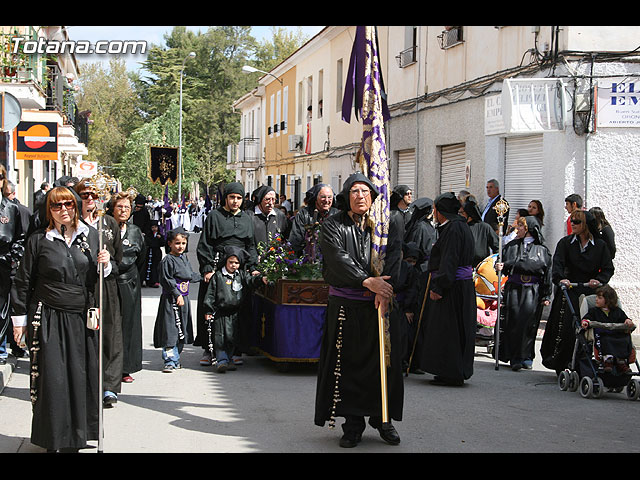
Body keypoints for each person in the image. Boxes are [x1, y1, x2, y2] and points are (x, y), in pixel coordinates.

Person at [10, 186, 111, 452]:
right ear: (48, 210)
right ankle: (54, 437)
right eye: (56, 206)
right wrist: (19, 321)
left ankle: (77, 436)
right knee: (53, 378)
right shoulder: (38, 240)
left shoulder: (90, 237)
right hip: (49, 316)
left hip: (80, 317)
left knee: (80, 376)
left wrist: (106, 263)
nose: (63, 210)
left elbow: (99, 279)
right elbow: (22, 282)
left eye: (68, 204)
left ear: (76, 206)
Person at [314, 172, 404, 448]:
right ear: (346, 196)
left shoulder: (383, 228)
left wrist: (386, 290)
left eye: (366, 191)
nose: (360, 196)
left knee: (384, 365)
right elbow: (337, 258)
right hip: (347, 306)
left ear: (373, 197)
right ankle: (352, 424)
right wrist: (367, 281)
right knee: (349, 366)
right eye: (354, 191)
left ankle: (383, 419)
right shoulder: (333, 225)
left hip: (380, 305)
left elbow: (396, 256)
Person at [540, 209, 615, 375]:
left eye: (577, 222)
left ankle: (587, 363)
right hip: (570, 289)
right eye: (571, 221)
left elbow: (608, 268)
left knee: (589, 326)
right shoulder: (565, 243)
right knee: (566, 325)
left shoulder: (600, 245)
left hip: (590, 290)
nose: (572, 224)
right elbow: (557, 264)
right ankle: (560, 362)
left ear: (586, 225)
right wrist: (561, 279)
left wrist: (599, 280)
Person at [195, 182, 258, 366]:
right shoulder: (214, 216)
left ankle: (236, 349)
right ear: (226, 198)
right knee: (212, 308)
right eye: (232, 197)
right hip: (217, 266)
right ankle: (209, 349)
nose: (235, 201)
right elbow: (204, 244)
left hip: (239, 268)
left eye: (239, 198)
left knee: (239, 309)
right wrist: (207, 268)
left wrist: (252, 266)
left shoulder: (247, 218)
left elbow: (251, 246)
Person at [417, 192, 476, 386]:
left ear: (440, 211)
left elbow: (449, 260)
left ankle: (450, 371)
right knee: (457, 329)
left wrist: (439, 286)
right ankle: (453, 370)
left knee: (449, 330)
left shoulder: (453, 229)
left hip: (452, 288)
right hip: (461, 286)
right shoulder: (461, 226)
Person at [74, 180, 124, 407]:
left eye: (94, 195)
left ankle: (109, 386)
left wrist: (108, 265)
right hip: (81, 287)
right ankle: (85, 384)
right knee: (84, 335)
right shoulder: (73, 223)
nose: (90, 200)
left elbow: (119, 258)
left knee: (111, 335)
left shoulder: (109, 223)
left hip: (106, 285)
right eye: (85, 195)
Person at [495, 216, 552, 370]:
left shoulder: (542, 250)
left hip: (532, 290)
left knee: (528, 323)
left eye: (520, 226)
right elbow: (501, 263)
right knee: (513, 321)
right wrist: (500, 266)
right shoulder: (511, 246)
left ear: (528, 229)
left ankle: (526, 356)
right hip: (514, 288)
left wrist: (546, 294)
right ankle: (514, 357)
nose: (517, 229)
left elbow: (545, 271)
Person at [202, 246, 266, 373]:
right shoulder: (218, 276)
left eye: (236, 263)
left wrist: (261, 279)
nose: (233, 265)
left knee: (232, 338)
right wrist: (208, 310)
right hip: (221, 313)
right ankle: (221, 361)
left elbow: (250, 281)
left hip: (235, 313)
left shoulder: (241, 275)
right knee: (220, 338)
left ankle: (229, 359)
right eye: (231, 262)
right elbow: (210, 294)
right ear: (225, 261)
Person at [109, 192, 147, 386]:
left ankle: (126, 367)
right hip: (109, 281)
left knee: (129, 325)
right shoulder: (104, 228)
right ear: (112, 209)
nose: (123, 211)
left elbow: (141, 259)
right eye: (119, 207)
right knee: (110, 325)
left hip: (129, 282)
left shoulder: (135, 231)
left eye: (127, 207)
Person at [153, 228, 201, 372]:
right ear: (170, 244)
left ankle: (176, 357)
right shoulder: (168, 260)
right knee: (170, 330)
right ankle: (169, 360)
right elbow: (167, 279)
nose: (180, 246)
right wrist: (176, 294)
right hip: (172, 300)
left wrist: (203, 277)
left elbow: (189, 275)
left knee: (182, 328)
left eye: (183, 243)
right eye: (177, 243)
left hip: (183, 299)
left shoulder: (184, 258)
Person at [0, 167, 25, 365]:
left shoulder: (11, 208)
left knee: (2, 308)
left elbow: (19, 237)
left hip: (3, 264)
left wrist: (13, 257)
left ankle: (0, 349)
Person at [581, 284, 635, 374]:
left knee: (624, 339)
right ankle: (607, 360)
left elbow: (624, 318)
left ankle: (621, 361)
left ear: (608, 300)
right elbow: (587, 317)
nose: (596, 299)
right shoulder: (594, 311)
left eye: (599, 298)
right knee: (606, 340)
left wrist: (628, 321)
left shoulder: (617, 311)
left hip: (616, 334)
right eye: (597, 297)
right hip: (602, 334)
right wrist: (585, 322)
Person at [288, 183, 337, 257]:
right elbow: (295, 240)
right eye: (323, 197)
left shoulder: (337, 214)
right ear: (316, 198)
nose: (327, 200)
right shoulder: (303, 214)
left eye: (330, 197)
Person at [461, 197, 499, 267]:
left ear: (470, 214)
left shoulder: (484, 227)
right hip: (464, 267)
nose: (460, 215)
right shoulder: (461, 227)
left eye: (462, 213)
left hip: (481, 267)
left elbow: (497, 247)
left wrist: (495, 263)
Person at [143, 220, 164, 287]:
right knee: (148, 266)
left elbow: (162, 243)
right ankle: (147, 281)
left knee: (156, 267)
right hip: (149, 252)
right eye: (153, 227)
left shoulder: (160, 235)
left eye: (155, 227)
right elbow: (149, 242)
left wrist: (160, 239)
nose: (154, 229)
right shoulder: (149, 235)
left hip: (156, 253)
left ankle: (155, 281)